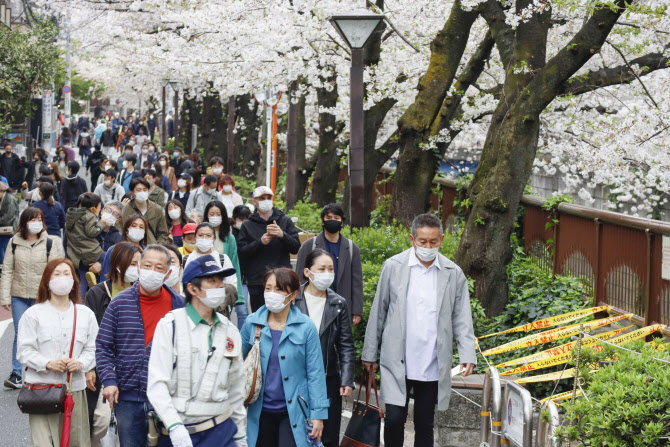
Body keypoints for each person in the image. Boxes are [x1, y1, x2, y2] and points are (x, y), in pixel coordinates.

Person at [362, 213, 477, 447]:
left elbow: (462, 317)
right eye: (422, 241)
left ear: (442, 239)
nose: (428, 246)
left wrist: (467, 354)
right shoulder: (394, 266)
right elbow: (378, 312)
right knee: (394, 419)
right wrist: (369, 353)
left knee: (425, 422)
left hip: (432, 361)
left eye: (433, 242)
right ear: (412, 239)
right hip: (397, 357)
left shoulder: (452, 273)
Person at [147, 254, 246, 447]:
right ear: (193, 288)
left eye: (221, 281)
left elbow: (236, 390)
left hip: (221, 431)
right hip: (180, 433)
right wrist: (175, 427)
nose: (220, 287)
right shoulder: (170, 326)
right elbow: (157, 384)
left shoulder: (230, 331)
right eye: (212, 281)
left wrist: (241, 438)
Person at [96, 245, 185, 446]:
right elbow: (103, 346)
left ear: (168, 273)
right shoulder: (119, 303)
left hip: (167, 394)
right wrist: (109, 380)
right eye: (147, 265)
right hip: (127, 395)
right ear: (138, 267)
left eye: (159, 268)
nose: (152, 271)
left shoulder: (178, 305)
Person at [241, 267, 328, 447]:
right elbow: (235, 363)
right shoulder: (252, 322)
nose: (272, 294)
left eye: (279, 289)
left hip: (294, 411)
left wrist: (318, 415)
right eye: (268, 288)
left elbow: (316, 373)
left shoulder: (306, 327)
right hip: (259, 411)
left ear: (293, 294)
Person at [17, 257, 98, 446]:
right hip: (41, 391)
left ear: (73, 282)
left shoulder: (85, 314)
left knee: (76, 441)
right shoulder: (33, 314)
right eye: (57, 274)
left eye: (67, 274)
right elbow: (24, 351)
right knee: (43, 442)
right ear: (47, 281)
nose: (62, 278)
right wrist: (47, 363)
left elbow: (93, 348)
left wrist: (82, 363)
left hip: (74, 390)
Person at [295, 249, 354, 447]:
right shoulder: (293, 300)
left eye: (330, 269)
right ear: (307, 272)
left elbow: (346, 343)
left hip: (328, 378)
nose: (327, 273)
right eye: (321, 268)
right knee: (296, 431)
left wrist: (346, 378)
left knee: (327, 434)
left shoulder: (338, 303)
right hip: (296, 376)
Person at [84, 242, 141, 445]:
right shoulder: (97, 294)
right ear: (118, 264)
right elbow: (88, 333)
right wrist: (89, 367)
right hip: (103, 364)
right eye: (133, 263)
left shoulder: (142, 292)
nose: (138, 268)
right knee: (99, 421)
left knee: (129, 426)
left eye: (139, 263)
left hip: (132, 367)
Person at [1, 207, 63, 389]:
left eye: (39, 219)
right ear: (25, 222)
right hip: (19, 295)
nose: (36, 223)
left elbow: (56, 271)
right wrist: (5, 297)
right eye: (32, 219)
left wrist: (56, 295)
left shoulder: (49, 243)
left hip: (41, 296)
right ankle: (17, 373)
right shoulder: (14, 242)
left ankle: (42, 369)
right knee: (20, 333)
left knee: (43, 333)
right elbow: (7, 271)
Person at [295, 203, 363, 325]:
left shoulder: (352, 248)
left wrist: (356, 310)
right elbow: (299, 278)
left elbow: (357, 282)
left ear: (342, 222)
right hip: (313, 305)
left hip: (342, 306)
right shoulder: (309, 246)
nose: (333, 221)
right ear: (322, 221)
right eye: (329, 218)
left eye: (336, 218)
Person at [237, 186, 300, 312]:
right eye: (262, 198)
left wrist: (282, 235)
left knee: (283, 316)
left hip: (282, 279)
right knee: (260, 318)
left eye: (268, 198)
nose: (266, 201)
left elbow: (296, 248)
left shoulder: (285, 221)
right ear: (255, 201)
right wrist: (260, 242)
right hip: (257, 281)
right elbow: (242, 252)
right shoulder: (247, 225)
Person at [203, 201, 246, 328]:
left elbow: (234, 266)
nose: (215, 216)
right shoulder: (201, 236)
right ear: (206, 215)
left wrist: (237, 294)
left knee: (221, 322)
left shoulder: (229, 238)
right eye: (212, 214)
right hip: (204, 286)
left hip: (223, 287)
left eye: (218, 214)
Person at [65, 192, 104, 296]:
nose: (100, 208)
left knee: (82, 279)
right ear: (93, 208)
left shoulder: (72, 216)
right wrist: (102, 223)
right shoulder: (89, 216)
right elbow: (91, 232)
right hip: (91, 251)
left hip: (77, 254)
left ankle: (79, 299)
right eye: (100, 206)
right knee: (108, 256)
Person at [117, 177, 170, 244]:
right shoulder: (124, 210)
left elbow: (163, 233)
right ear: (132, 192)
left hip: (151, 249)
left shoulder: (157, 209)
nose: (142, 192)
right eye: (138, 190)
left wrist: (157, 246)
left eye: (145, 190)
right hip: (129, 248)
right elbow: (119, 231)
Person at [100, 214, 148, 281]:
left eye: (141, 227)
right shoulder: (114, 250)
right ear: (126, 230)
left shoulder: (147, 252)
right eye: (134, 226)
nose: (137, 229)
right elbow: (106, 275)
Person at [0, 181, 18, 264]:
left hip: (7, 229)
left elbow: (8, 217)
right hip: (3, 228)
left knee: (3, 249)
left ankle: (4, 267)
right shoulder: (3, 198)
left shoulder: (9, 199)